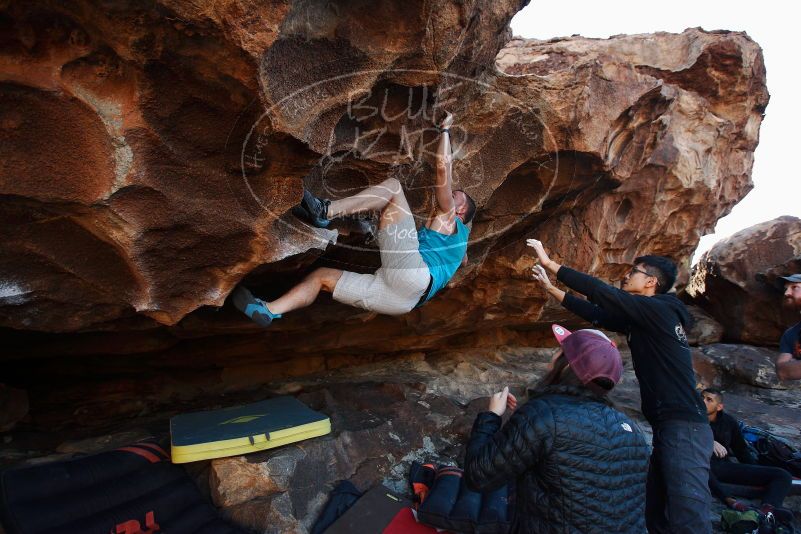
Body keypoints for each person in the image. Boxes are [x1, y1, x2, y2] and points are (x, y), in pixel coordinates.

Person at [527, 240, 711, 534]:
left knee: (688, 515)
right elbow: (599, 314)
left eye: (634, 272)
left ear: (651, 282)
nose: (626, 276)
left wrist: (551, 264)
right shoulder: (645, 319)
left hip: (684, 425)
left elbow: (604, 295)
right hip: (669, 423)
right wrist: (552, 290)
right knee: (656, 511)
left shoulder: (659, 310)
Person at [231, 112, 476, 327]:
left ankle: (325, 212)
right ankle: (269, 311)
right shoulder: (459, 245)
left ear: (460, 211)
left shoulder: (449, 216)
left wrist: (445, 130)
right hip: (403, 301)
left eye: (455, 196)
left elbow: (443, 169)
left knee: (393, 188)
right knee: (322, 277)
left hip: (412, 275)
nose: (448, 196)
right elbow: (464, 260)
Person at [463, 324, 650, 533]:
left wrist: (492, 416)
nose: (554, 354)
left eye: (561, 350)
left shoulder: (544, 415)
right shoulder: (632, 431)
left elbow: (478, 476)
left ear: (567, 365)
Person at [702, 388, 792, 517]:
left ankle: (768, 512)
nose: (703, 401)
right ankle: (729, 499)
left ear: (719, 406)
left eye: (709, 400)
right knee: (703, 468)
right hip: (702, 465)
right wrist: (708, 440)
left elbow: (741, 450)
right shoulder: (691, 419)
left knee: (782, 475)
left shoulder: (729, 422)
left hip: (724, 467)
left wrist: (756, 471)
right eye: (701, 398)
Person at [775, 273, 801, 381]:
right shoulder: (791, 334)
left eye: (794, 287)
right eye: (786, 289)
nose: (786, 293)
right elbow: (782, 371)